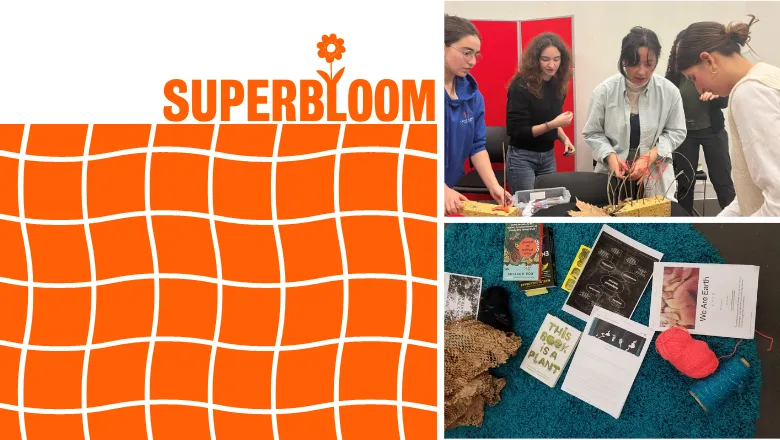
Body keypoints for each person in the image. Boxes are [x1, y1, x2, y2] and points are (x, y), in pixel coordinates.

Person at [672, 15, 780, 217]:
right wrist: (717, 226)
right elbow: (751, 196)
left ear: (709, 60)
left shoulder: (749, 93)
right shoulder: (766, 76)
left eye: (694, 78)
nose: (698, 88)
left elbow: (778, 203)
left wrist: (734, 240)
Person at [582, 27, 686, 201]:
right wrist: (610, 155)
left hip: (655, 177)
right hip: (612, 177)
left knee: (653, 224)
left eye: (649, 64)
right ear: (624, 60)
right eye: (635, 63)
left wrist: (650, 156)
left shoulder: (669, 92)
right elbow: (593, 132)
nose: (642, 71)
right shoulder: (604, 92)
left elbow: (677, 132)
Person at [444, 14, 511, 215]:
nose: (473, 61)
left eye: (476, 54)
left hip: (447, 186)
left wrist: (494, 186)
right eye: (466, 53)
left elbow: (476, 145)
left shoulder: (472, 95)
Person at [666, 30, 736, 215]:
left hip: (713, 132)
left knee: (722, 180)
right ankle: (684, 224)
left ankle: (732, 222)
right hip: (684, 135)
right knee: (685, 182)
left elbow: (724, 101)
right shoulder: (674, 75)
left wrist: (716, 95)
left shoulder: (707, 71)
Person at [505, 32, 575, 192]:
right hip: (522, 157)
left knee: (548, 205)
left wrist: (564, 139)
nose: (552, 65)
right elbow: (518, 131)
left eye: (556, 59)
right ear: (536, 59)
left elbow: (550, 120)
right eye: (546, 59)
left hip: (547, 155)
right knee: (526, 209)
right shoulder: (521, 86)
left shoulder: (558, 84)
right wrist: (554, 124)